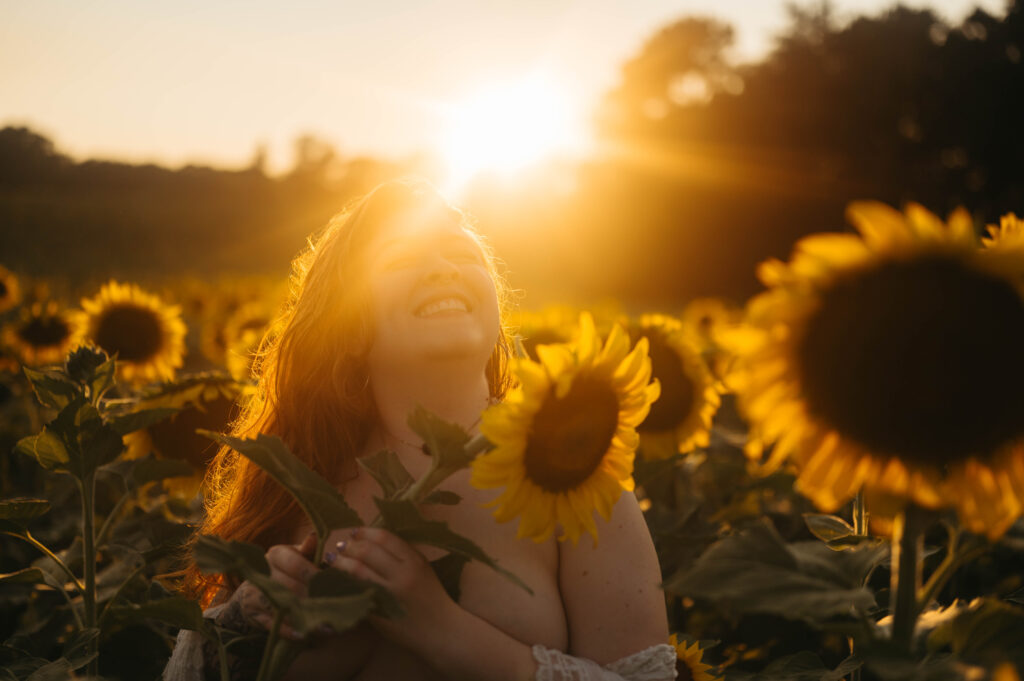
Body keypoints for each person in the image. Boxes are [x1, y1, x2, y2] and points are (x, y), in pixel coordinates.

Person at [164, 178, 676, 680]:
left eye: (464, 253)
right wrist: (246, 619)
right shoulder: (297, 476)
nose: (443, 269)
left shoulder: (577, 481)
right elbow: (189, 670)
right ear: (349, 323)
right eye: (403, 260)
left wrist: (440, 628)